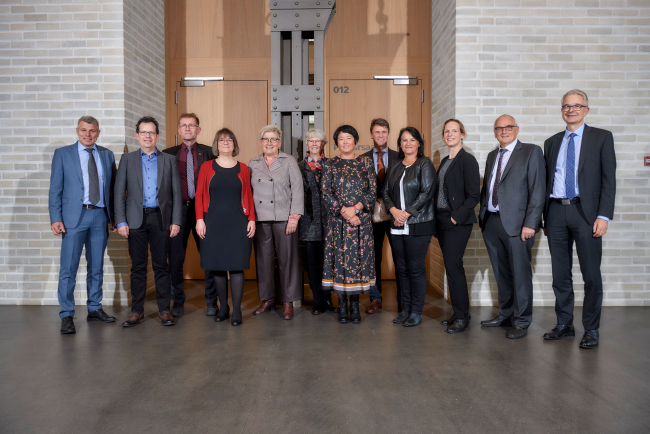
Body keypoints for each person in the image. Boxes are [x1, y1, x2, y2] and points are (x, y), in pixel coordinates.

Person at [542, 89, 616, 349]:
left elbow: (609, 180)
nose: (570, 109)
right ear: (561, 110)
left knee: (591, 274)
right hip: (556, 212)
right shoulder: (551, 143)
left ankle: (591, 328)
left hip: (586, 214)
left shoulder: (602, 138)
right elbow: (546, 182)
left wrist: (604, 215)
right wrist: (545, 218)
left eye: (576, 105)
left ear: (586, 109)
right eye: (566, 106)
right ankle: (564, 324)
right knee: (560, 275)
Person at [48, 116, 118, 334]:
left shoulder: (107, 155)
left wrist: (114, 218)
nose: (88, 135)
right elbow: (55, 189)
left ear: (98, 132)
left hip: (99, 217)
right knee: (68, 268)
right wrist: (55, 217)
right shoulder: (63, 154)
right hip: (72, 219)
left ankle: (94, 308)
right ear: (77, 131)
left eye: (92, 131)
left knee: (96, 266)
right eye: (84, 130)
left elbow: (113, 189)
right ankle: (67, 314)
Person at [478, 115, 545, 339]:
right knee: (502, 273)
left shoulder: (531, 152)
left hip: (518, 226)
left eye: (508, 127)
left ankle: (522, 320)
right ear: (494, 132)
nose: (504, 131)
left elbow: (537, 190)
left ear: (516, 129)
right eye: (499, 128)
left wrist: (531, 223)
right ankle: (505, 314)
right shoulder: (491, 156)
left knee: (520, 274)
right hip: (492, 222)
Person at [115, 116, 182, 327]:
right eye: (143, 132)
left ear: (157, 136)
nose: (147, 136)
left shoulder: (169, 160)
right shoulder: (127, 160)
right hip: (135, 220)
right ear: (137, 136)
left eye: (151, 132)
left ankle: (164, 310)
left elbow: (176, 195)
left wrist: (176, 221)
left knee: (162, 266)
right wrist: (120, 221)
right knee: (138, 267)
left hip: (160, 218)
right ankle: (137, 311)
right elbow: (119, 193)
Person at [195, 128, 255, 326]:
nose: (226, 142)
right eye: (222, 140)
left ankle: (236, 310)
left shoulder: (244, 168)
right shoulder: (206, 167)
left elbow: (248, 196)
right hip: (212, 222)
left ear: (234, 144)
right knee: (218, 268)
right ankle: (223, 307)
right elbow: (200, 195)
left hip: (239, 223)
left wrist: (252, 219)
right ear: (216, 144)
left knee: (237, 268)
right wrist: (199, 219)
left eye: (229, 139)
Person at [163, 113, 216, 318]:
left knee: (209, 257)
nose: (187, 129)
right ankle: (177, 301)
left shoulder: (210, 153)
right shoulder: (167, 154)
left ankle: (211, 301)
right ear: (179, 130)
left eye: (191, 125)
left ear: (198, 130)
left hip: (204, 212)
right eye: (184, 125)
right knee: (175, 259)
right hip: (177, 212)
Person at [322, 125, 377, 324]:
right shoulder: (330, 164)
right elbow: (326, 192)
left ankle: (355, 305)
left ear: (355, 140)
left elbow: (372, 191)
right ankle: (342, 306)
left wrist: (356, 209)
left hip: (361, 222)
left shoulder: (366, 162)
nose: (345, 142)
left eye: (349, 138)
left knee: (358, 263)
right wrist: (345, 212)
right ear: (337, 143)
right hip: (338, 224)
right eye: (341, 139)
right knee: (340, 264)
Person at [383, 127, 437, 327]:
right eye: (404, 140)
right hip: (396, 224)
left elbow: (427, 191)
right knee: (402, 269)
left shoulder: (425, 164)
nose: (408, 143)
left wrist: (406, 213)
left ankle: (416, 311)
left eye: (412, 140)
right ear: (400, 143)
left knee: (415, 269)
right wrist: (394, 211)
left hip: (418, 224)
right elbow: (386, 191)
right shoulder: (395, 165)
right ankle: (405, 309)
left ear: (419, 143)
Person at [249, 125, 304, 320]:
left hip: (284, 218)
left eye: (273, 139)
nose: (269, 143)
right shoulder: (253, 163)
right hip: (261, 219)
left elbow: (297, 190)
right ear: (261, 142)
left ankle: (288, 301)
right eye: (266, 139)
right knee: (263, 262)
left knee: (287, 261)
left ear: (279, 143)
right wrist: (251, 219)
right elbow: (249, 193)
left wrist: (294, 217)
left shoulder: (289, 161)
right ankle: (267, 299)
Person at [434, 119, 480, 334]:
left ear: (462, 134)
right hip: (442, 220)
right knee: (451, 268)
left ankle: (462, 317)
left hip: (457, 222)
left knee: (454, 268)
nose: (449, 134)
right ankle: (459, 312)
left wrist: (455, 217)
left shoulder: (467, 160)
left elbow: (474, 195)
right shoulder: (445, 161)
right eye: (446, 131)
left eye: (454, 131)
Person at [362, 118, 402, 314]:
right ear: (371, 134)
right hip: (371, 216)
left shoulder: (399, 156)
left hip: (395, 214)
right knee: (374, 258)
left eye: (384, 132)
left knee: (399, 256)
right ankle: (375, 299)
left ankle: (403, 299)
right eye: (377, 132)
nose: (380, 135)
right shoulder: (362, 159)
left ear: (388, 133)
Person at [298, 129, 337, 315]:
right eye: (311, 141)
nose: (314, 144)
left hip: (329, 222)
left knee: (329, 263)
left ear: (323, 144)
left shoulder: (331, 165)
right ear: (307, 144)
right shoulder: (299, 166)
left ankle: (328, 299)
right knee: (312, 263)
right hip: (309, 222)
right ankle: (317, 301)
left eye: (318, 141)